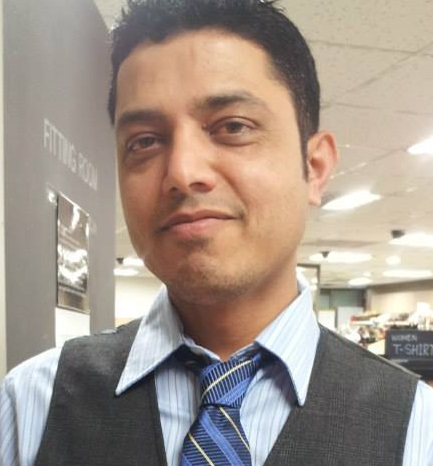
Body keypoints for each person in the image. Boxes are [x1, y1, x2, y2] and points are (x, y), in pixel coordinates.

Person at [1, 0, 433, 465]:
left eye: (233, 127)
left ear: (314, 166)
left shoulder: (417, 429)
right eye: (144, 141)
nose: (183, 173)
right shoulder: (32, 408)